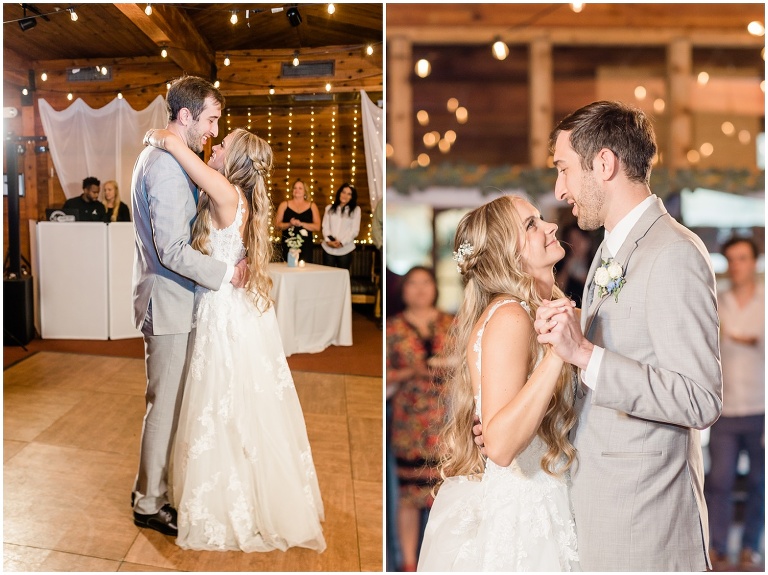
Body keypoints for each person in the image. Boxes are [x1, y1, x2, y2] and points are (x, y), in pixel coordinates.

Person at [532, 101, 722, 571]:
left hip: (646, 526)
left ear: (604, 163)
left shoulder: (674, 253)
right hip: (600, 504)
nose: (560, 189)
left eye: (564, 169)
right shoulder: (608, 252)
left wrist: (586, 353)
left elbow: (700, 399)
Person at [143, 125, 326, 552]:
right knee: (235, 400)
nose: (214, 145)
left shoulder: (225, 192)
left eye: (221, 144)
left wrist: (158, 134)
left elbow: (173, 143)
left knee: (222, 399)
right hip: (230, 304)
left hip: (221, 308)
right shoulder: (237, 198)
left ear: (234, 160)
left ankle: (228, 502)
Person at [417, 195, 580, 571]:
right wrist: (558, 353)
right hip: (525, 512)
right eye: (530, 225)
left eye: (540, 219)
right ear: (507, 253)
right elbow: (502, 445)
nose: (550, 227)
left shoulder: (538, 311)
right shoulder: (511, 316)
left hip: (549, 496)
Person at [130, 75, 246, 538]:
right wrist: (224, 273)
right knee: (164, 406)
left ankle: (150, 487)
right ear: (185, 115)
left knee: (171, 403)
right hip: (169, 301)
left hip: (173, 298)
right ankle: (147, 503)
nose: (213, 130)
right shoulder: (162, 165)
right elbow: (172, 250)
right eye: (210, 119)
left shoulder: (166, 157)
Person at [386, 266, 454, 571]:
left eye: (425, 283)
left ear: (435, 288)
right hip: (409, 421)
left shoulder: (452, 324)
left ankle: (441, 561)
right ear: (404, 290)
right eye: (413, 284)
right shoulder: (393, 328)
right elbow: (384, 374)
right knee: (410, 496)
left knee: (447, 494)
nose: (420, 289)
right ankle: (409, 563)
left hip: (447, 420)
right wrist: (409, 372)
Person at [705, 236, 764, 571]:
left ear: (754, 261)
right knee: (720, 482)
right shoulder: (717, 302)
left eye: (743, 258)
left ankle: (751, 547)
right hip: (724, 410)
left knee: (759, 482)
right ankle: (717, 547)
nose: (737, 266)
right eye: (731, 259)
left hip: (761, 407)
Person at [274, 178, 321, 263]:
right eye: (295, 188)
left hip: (306, 245)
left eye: (300, 188)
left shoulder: (312, 206)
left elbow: (317, 227)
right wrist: (289, 224)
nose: (297, 190)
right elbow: (277, 225)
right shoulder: (284, 205)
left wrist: (301, 224)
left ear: (305, 191)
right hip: (288, 244)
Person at [321, 182, 361, 269]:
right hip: (328, 249)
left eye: (349, 194)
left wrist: (341, 243)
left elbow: (354, 230)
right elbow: (325, 227)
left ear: (352, 197)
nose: (345, 195)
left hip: (345, 249)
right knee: (328, 276)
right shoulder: (329, 208)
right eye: (343, 192)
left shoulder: (356, 210)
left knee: (342, 277)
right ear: (339, 193)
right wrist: (329, 241)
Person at [555, 224, 594, 307]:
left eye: (579, 239)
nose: (576, 245)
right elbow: (557, 289)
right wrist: (567, 266)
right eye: (572, 241)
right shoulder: (561, 263)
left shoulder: (595, 261)